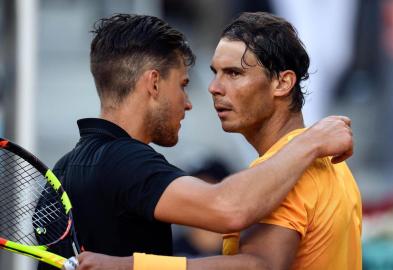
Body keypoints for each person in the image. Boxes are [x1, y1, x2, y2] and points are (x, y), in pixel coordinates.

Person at [42, 13, 354, 270]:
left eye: (233, 73)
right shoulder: (295, 163)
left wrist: (130, 266)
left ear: (283, 82)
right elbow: (230, 209)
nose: (212, 89)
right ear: (153, 83)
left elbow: (260, 265)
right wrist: (311, 140)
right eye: (211, 75)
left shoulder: (61, 170)